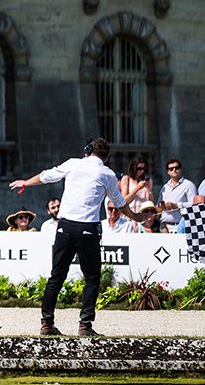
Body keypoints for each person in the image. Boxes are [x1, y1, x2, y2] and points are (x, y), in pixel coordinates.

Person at [9, 137, 145, 336]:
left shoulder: (73, 163)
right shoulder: (106, 173)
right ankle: (85, 325)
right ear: (106, 158)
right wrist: (136, 217)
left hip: (64, 227)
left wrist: (25, 183)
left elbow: (47, 176)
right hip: (87, 229)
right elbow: (119, 203)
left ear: (87, 151)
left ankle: (46, 324)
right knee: (92, 278)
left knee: (56, 276)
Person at [158, 158, 197, 230]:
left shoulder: (189, 185)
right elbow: (158, 206)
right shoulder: (164, 187)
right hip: (165, 227)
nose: (174, 170)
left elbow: (195, 205)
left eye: (177, 168)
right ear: (168, 172)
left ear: (180, 169)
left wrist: (177, 205)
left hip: (182, 227)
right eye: (171, 169)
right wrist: (161, 206)